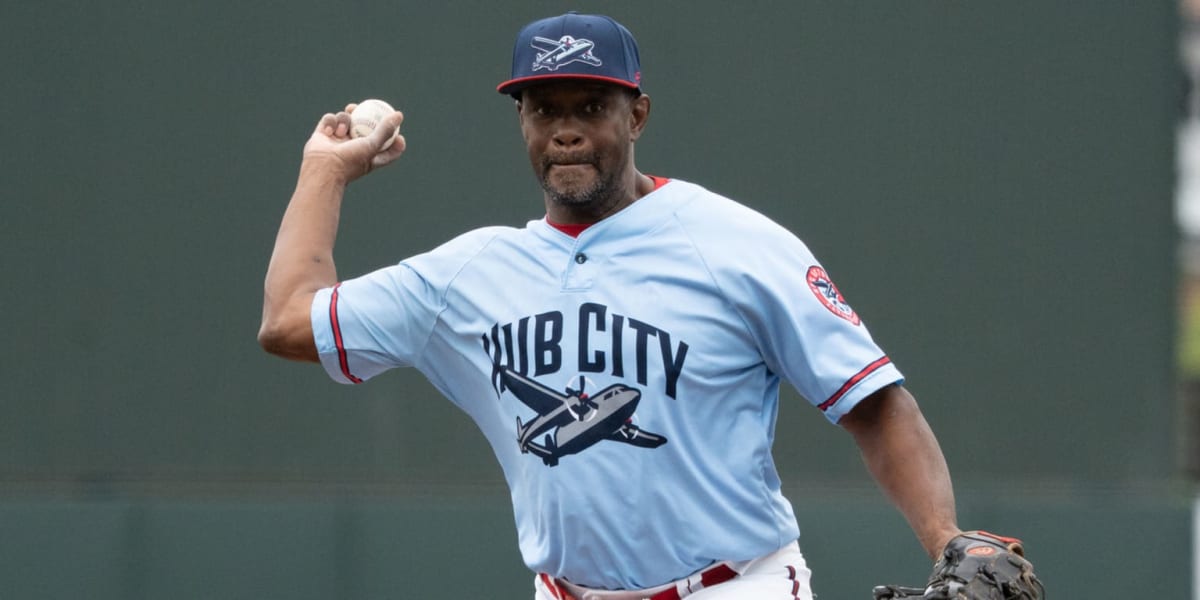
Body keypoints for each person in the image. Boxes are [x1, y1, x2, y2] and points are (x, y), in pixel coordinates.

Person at [258, 12, 1033, 600]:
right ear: (521, 120)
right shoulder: (468, 275)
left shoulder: (734, 243)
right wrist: (323, 168)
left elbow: (874, 402)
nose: (565, 130)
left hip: (734, 586)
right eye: (543, 107)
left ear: (637, 115)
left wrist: (945, 537)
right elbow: (290, 320)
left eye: (590, 106)